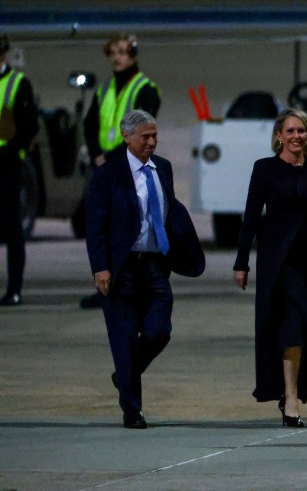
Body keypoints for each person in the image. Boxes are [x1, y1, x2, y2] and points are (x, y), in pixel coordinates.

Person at [85, 110, 204, 428]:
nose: (151, 142)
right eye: (145, 137)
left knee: (159, 331)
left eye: (155, 136)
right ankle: (132, 409)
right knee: (123, 340)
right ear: (127, 137)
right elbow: (95, 225)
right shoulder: (108, 174)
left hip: (154, 266)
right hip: (120, 270)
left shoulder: (162, 168)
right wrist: (100, 268)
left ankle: (123, 373)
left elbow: (169, 212)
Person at [233, 108, 307, 427]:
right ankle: (290, 398)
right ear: (278, 136)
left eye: (302, 131)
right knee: (291, 328)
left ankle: (292, 391)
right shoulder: (265, 169)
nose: (297, 136)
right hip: (279, 264)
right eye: (291, 131)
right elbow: (251, 217)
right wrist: (242, 263)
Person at [80, 33, 162, 309]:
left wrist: (110, 159)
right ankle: (105, 283)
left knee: (129, 229)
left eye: (122, 52)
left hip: (129, 168)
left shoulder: (145, 88)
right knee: (104, 228)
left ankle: (130, 286)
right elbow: (90, 123)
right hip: (106, 167)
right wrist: (96, 154)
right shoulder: (104, 89)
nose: (117, 57)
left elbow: (142, 132)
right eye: (113, 52)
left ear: (133, 55)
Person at [0, 33, 39, 306]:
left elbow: (29, 127)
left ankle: (14, 289)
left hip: (7, 165)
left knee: (12, 227)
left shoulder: (17, 84)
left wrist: (10, 150)